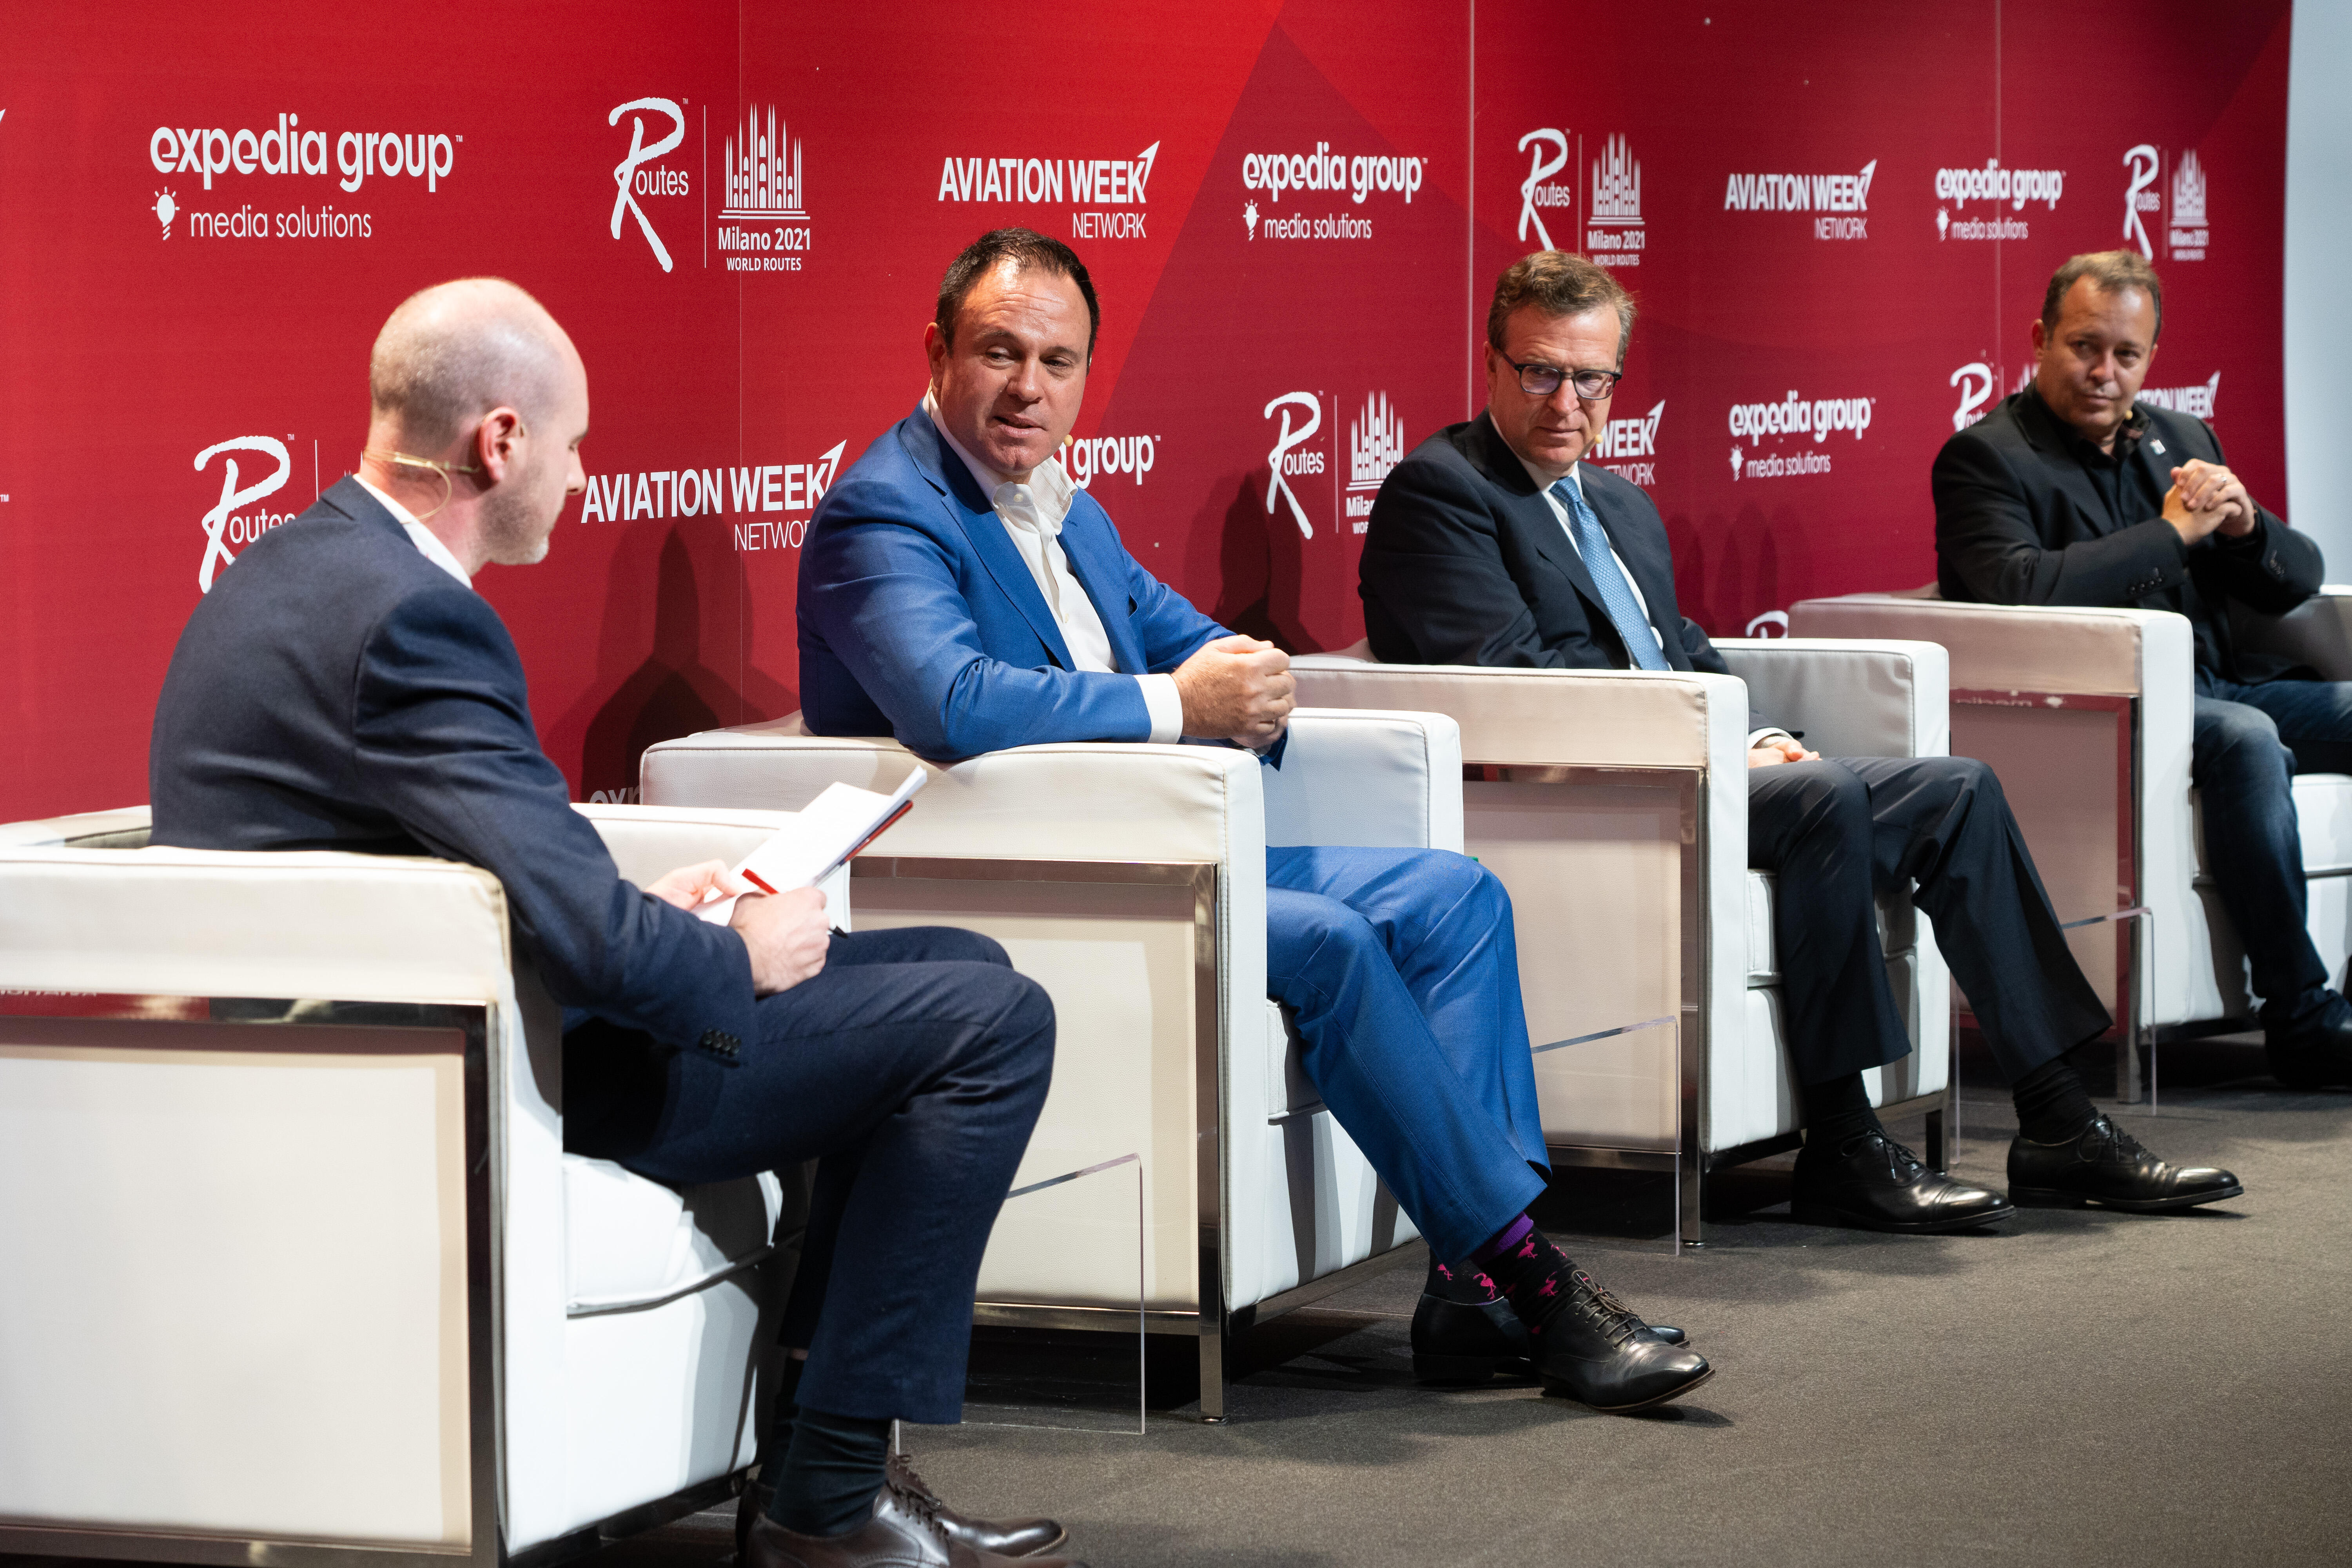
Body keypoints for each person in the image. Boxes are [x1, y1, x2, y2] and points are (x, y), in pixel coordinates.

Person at [147, 278, 1080, 1568]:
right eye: (575, 445)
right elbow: (577, 945)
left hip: (404, 1043)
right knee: (993, 1021)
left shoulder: (299, 571)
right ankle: (826, 1504)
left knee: (955, 965)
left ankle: (822, 1466)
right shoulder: (416, 621)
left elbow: (466, 872)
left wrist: (647, 908)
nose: (583, 479)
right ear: (501, 442)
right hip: (485, 1080)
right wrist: (736, 954)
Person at [797, 228, 1714, 1413]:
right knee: (1330, 940)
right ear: (938, 351)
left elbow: (1190, 635)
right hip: (1055, 875)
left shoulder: (1067, 509)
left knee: (1454, 895)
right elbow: (953, 701)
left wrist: (1250, 676)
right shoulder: (886, 513)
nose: (1029, 388)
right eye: (1000, 352)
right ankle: (1535, 1283)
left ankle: (1464, 1285)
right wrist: (1179, 705)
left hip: (1171, 841)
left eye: (1058, 362)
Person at [1361, 250, 2242, 1223]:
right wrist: (1716, 746)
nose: (1568, 402)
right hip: (1600, 787)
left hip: (1699, 758)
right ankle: (1844, 1144)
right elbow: (1509, 680)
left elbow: (1678, 647)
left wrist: (1762, 731)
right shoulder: (1440, 492)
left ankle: (2059, 1119)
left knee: (1957, 787)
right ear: (1492, 363)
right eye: (1540, 372)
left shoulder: (1614, 501)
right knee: (1825, 798)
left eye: (1593, 378)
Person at [1937, 249, 2352, 1091]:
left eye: (2126, 354)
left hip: (2219, 684)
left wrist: (2244, 527)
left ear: (2151, 357)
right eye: (2084, 347)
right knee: (2246, 738)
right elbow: (2019, 587)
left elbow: (2297, 580)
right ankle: (2302, 1020)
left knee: (2271, 718)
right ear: (2040, 339)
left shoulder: (2181, 439)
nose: (2104, 373)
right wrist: (2171, 537)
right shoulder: (1987, 458)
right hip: (2109, 708)